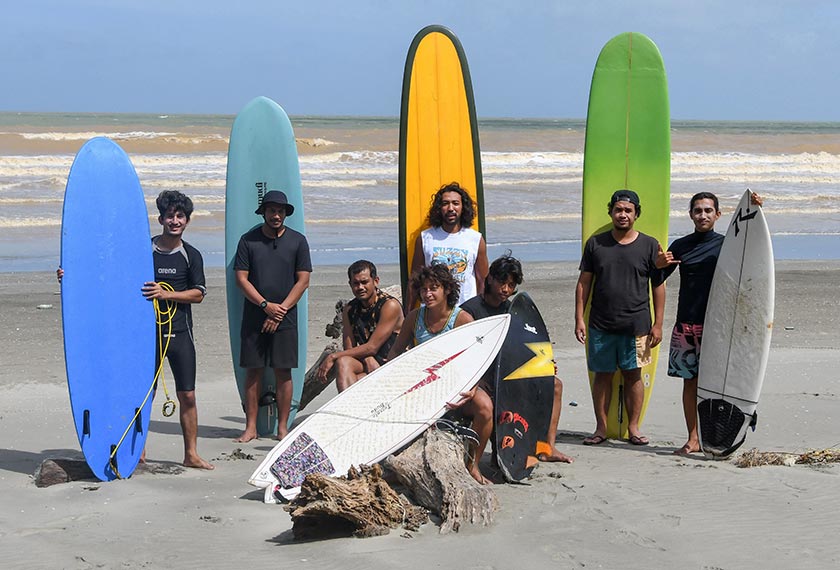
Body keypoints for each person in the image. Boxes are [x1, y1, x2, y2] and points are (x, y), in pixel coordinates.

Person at [57, 190, 214, 470]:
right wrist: (71, 275)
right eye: (170, 216)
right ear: (160, 218)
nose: (174, 221)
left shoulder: (191, 256)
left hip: (179, 333)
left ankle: (191, 453)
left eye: (180, 216)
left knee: (187, 395)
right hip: (144, 336)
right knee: (144, 394)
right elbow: (110, 276)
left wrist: (167, 295)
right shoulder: (143, 251)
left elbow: (199, 294)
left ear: (187, 221)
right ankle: (136, 450)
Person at [657, 191, 763, 455]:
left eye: (707, 210)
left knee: (719, 381)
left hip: (719, 327)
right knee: (689, 382)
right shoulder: (680, 245)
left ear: (718, 214)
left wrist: (757, 209)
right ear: (690, 214)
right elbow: (655, 278)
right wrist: (657, 264)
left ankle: (717, 433)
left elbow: (754, 255)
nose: (702, 215)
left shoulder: (729, 246)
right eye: (697, 210)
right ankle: (693, 438)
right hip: (687, 325)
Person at [460, 254, 573, 463]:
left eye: (511, 285)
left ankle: (547, 448)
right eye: (502, 282)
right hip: (482, 378)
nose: (506, 289)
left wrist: (544, 365)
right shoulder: (470, 312)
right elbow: (465, 356)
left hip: (509, 375)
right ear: (490, 279)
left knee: (555, 385)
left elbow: (526, 346)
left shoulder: (514, 311)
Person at [387, 263, 494, 485]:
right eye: (424, 289)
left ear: (446, 289)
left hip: (458, 384)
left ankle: (472, 464)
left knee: (485, 408)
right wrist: (396, 380)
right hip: (424, 387)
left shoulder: (462, 319)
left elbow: (479, 357)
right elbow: (396, 351)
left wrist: (472, 388)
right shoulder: (415, 317)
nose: (428, 294)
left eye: (434, 288)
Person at [574, 189, 666, 447]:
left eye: (628, 210)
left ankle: (634, 428)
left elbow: (658, 286)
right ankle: (601, 428)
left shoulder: (649, 245)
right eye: (618, 209)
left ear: (636, 214)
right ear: (611, 212)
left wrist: (658, 324)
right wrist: (579, 318)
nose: (622, 214)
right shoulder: (596, 244)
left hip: (637, 325)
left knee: (633, 375)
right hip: (600, 324)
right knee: (602, 376)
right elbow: (583, 284)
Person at [234, 190, 312, 442]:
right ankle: (250, 428)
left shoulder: (298, 241)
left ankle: (282, 427)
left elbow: (303, 280)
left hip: (286, 315)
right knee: (253, 371)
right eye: (271, 210)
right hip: (255, 314)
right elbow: (241, 279)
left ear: (285, 213)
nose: (276, 215)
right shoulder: (248, 241)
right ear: (264, 213)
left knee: (283, 371)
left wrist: (280, 311)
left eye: (280, 211)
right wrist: (265, 305)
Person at [317, 260, 404, 392]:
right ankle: (350, 408)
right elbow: (349, 347)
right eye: (356, 283)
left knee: (345, 366)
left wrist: (332, 356)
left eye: (364, 282)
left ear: (376, 281)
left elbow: (373, 347)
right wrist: (367, 358)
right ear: (350, 284)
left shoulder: (389, 305)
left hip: (393, 364)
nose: (360, 287)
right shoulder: (350, 309)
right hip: (368, 361)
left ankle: (354, 404)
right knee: (344, 362)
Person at [407, 182, 489, 309]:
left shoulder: (475, 239)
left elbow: (483, 281)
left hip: (465, 311)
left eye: (455, 203)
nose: (451, 208)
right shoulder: (425, 238)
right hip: (433, 312)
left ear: (463, 207)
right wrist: (408, 313)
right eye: (445, 203)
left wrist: (481, 312)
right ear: (439, 208)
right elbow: (414, 280)